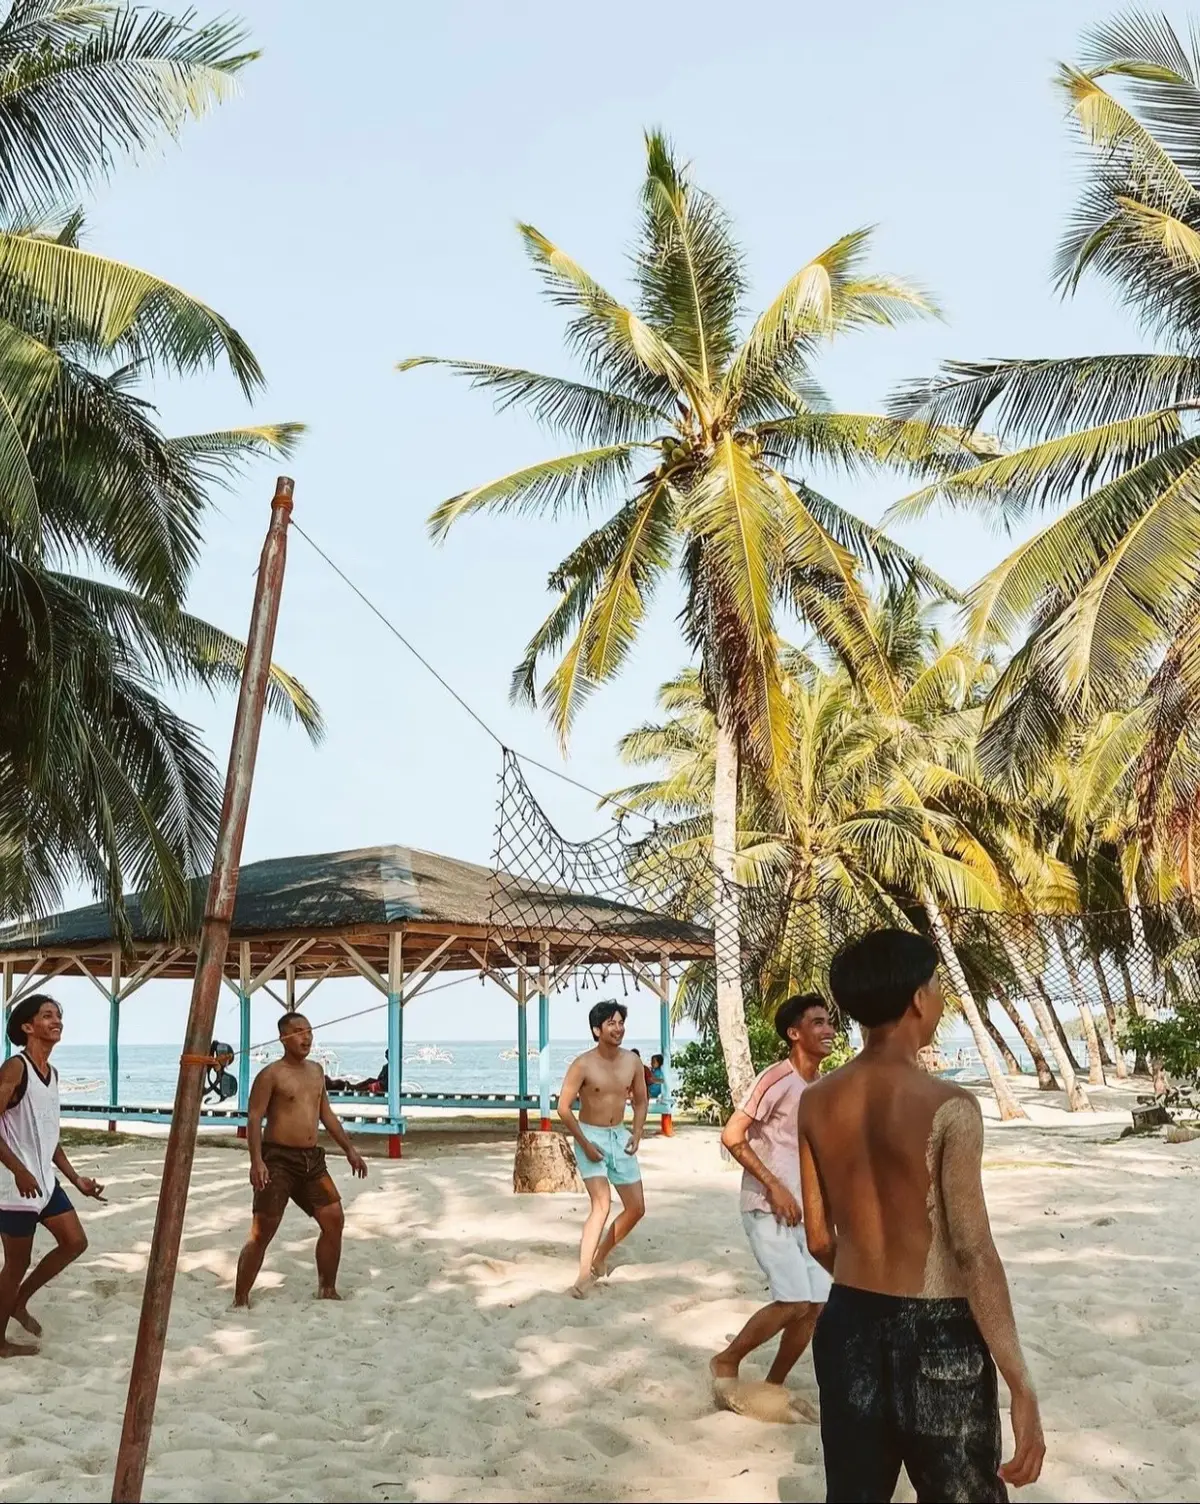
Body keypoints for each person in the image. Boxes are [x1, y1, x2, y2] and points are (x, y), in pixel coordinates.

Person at [798, 929, 1045, 1503]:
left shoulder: (816, 1100)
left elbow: (816, 1236)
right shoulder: (950, 1107)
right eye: (935, 984)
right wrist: (1019, 1382)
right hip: (936, 1334)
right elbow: (972, 1250)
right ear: (917, 999)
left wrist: (867, 1287)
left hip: (847, 1324)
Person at [710, 994, 835, 1421]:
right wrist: (776, 1188)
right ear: (794, 1033)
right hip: (765, 1206)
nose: (829, 1030)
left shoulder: (822, 1086)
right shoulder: (776, 1078)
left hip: (805, 1213)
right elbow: (732, 1135)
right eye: (818, 1022)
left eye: (830, 1022)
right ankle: (726, 1361)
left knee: (815, 1306)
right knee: (793, 1301)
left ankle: (773, 1384)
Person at [234, 1012, 369, 1308]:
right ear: (283, 1037)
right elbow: (254, 1118)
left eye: (309, 1031)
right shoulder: (271, 1074)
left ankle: (327, 1289)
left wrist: (349, 1150)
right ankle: (241, 1297)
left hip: (311, 1160)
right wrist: (256, 1161)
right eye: (298, 1032)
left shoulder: (317, 1071)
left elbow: (326, 1115)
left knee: (334, 1219)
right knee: (262, 1231)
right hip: (277, 1159)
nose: (306, 1037)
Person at [0, 996, 105, 1358]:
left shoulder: (53, 1073)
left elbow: (49, 1137)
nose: (56, 1020)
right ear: (28, 1027)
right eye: (47, 1016)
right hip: (13, 1185)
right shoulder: (15, 1068)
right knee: (15, 1264)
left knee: (75, 1242)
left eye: (59, 1015)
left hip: (44, 1180)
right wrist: (18, 1170)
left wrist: (77, 1180)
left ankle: (19, 1301)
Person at [557, 999, 647, 1298]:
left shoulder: (632, 1062)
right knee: (602, 1204)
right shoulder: (582, 1064)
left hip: (619, 1136)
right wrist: (585, 1144)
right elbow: (563, 1109)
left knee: (636, 1208)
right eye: (611, 1023)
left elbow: (641, 1100)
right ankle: (583, 1275)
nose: (618, 1028)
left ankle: (601, 1256)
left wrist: (636, 1131)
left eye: (621, 1022)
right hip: (590, 1135)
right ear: (597, 1030)